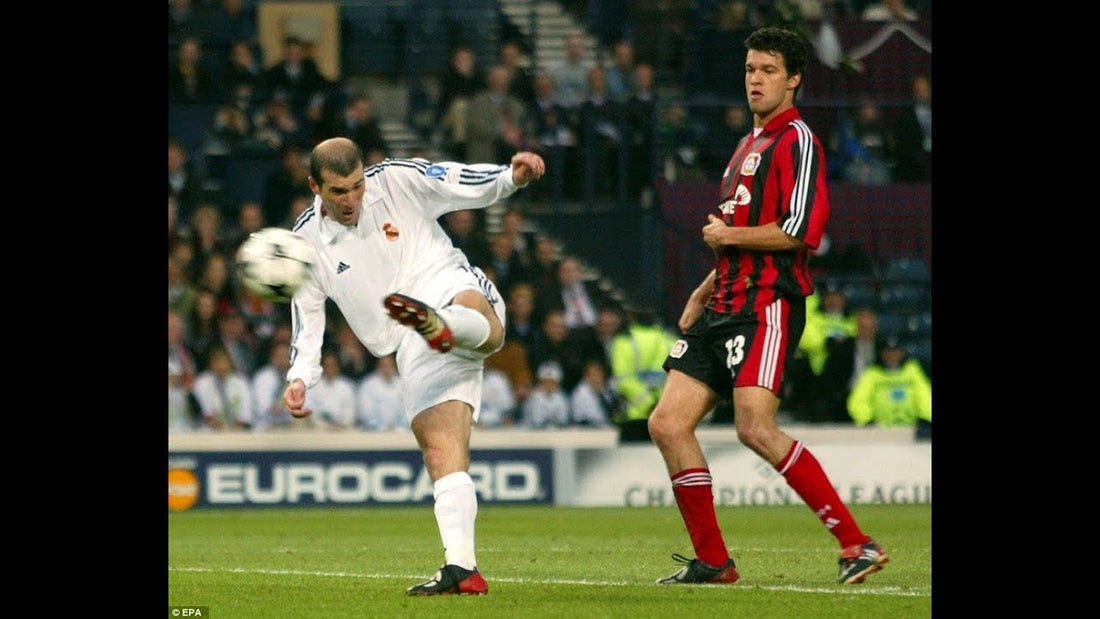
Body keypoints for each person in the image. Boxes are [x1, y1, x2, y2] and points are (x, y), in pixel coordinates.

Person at [646, 27, 889, 587]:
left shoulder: (797, 139)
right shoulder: (747, 144)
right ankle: (713, 561)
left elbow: (800, 232)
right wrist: (706, 286)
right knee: (667, 423)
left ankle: (857, 543)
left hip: (767, 305)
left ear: (795, 78)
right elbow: (736, 233)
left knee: (755, 427)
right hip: (725, 300)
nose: (756, 80)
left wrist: (727, 239)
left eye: (769, 71)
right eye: (751, 70)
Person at [281, 137, 545, 595]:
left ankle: (448, 324)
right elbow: (308, 319)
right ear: (314, 186)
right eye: (339, 191)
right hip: (409, 340)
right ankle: (463, 570)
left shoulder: (398, 179)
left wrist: (510, 177)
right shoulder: (305, 242)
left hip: (446, 285)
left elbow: (459, 180)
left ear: (367, 174)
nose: (352, 200)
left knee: (483, 320)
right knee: (440, 454)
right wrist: (301, 377)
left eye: (358, 186)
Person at [846, 336, 932, 431]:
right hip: (879, 430)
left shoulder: (912, 371)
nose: (892, 355)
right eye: (888, 352)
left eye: (895, 351)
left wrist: (926, 419)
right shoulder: (872, 374)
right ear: (883, 354)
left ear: (902, 353)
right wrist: (868, 421)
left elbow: (926, 397)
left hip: (911, 428)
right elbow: (858, 401)